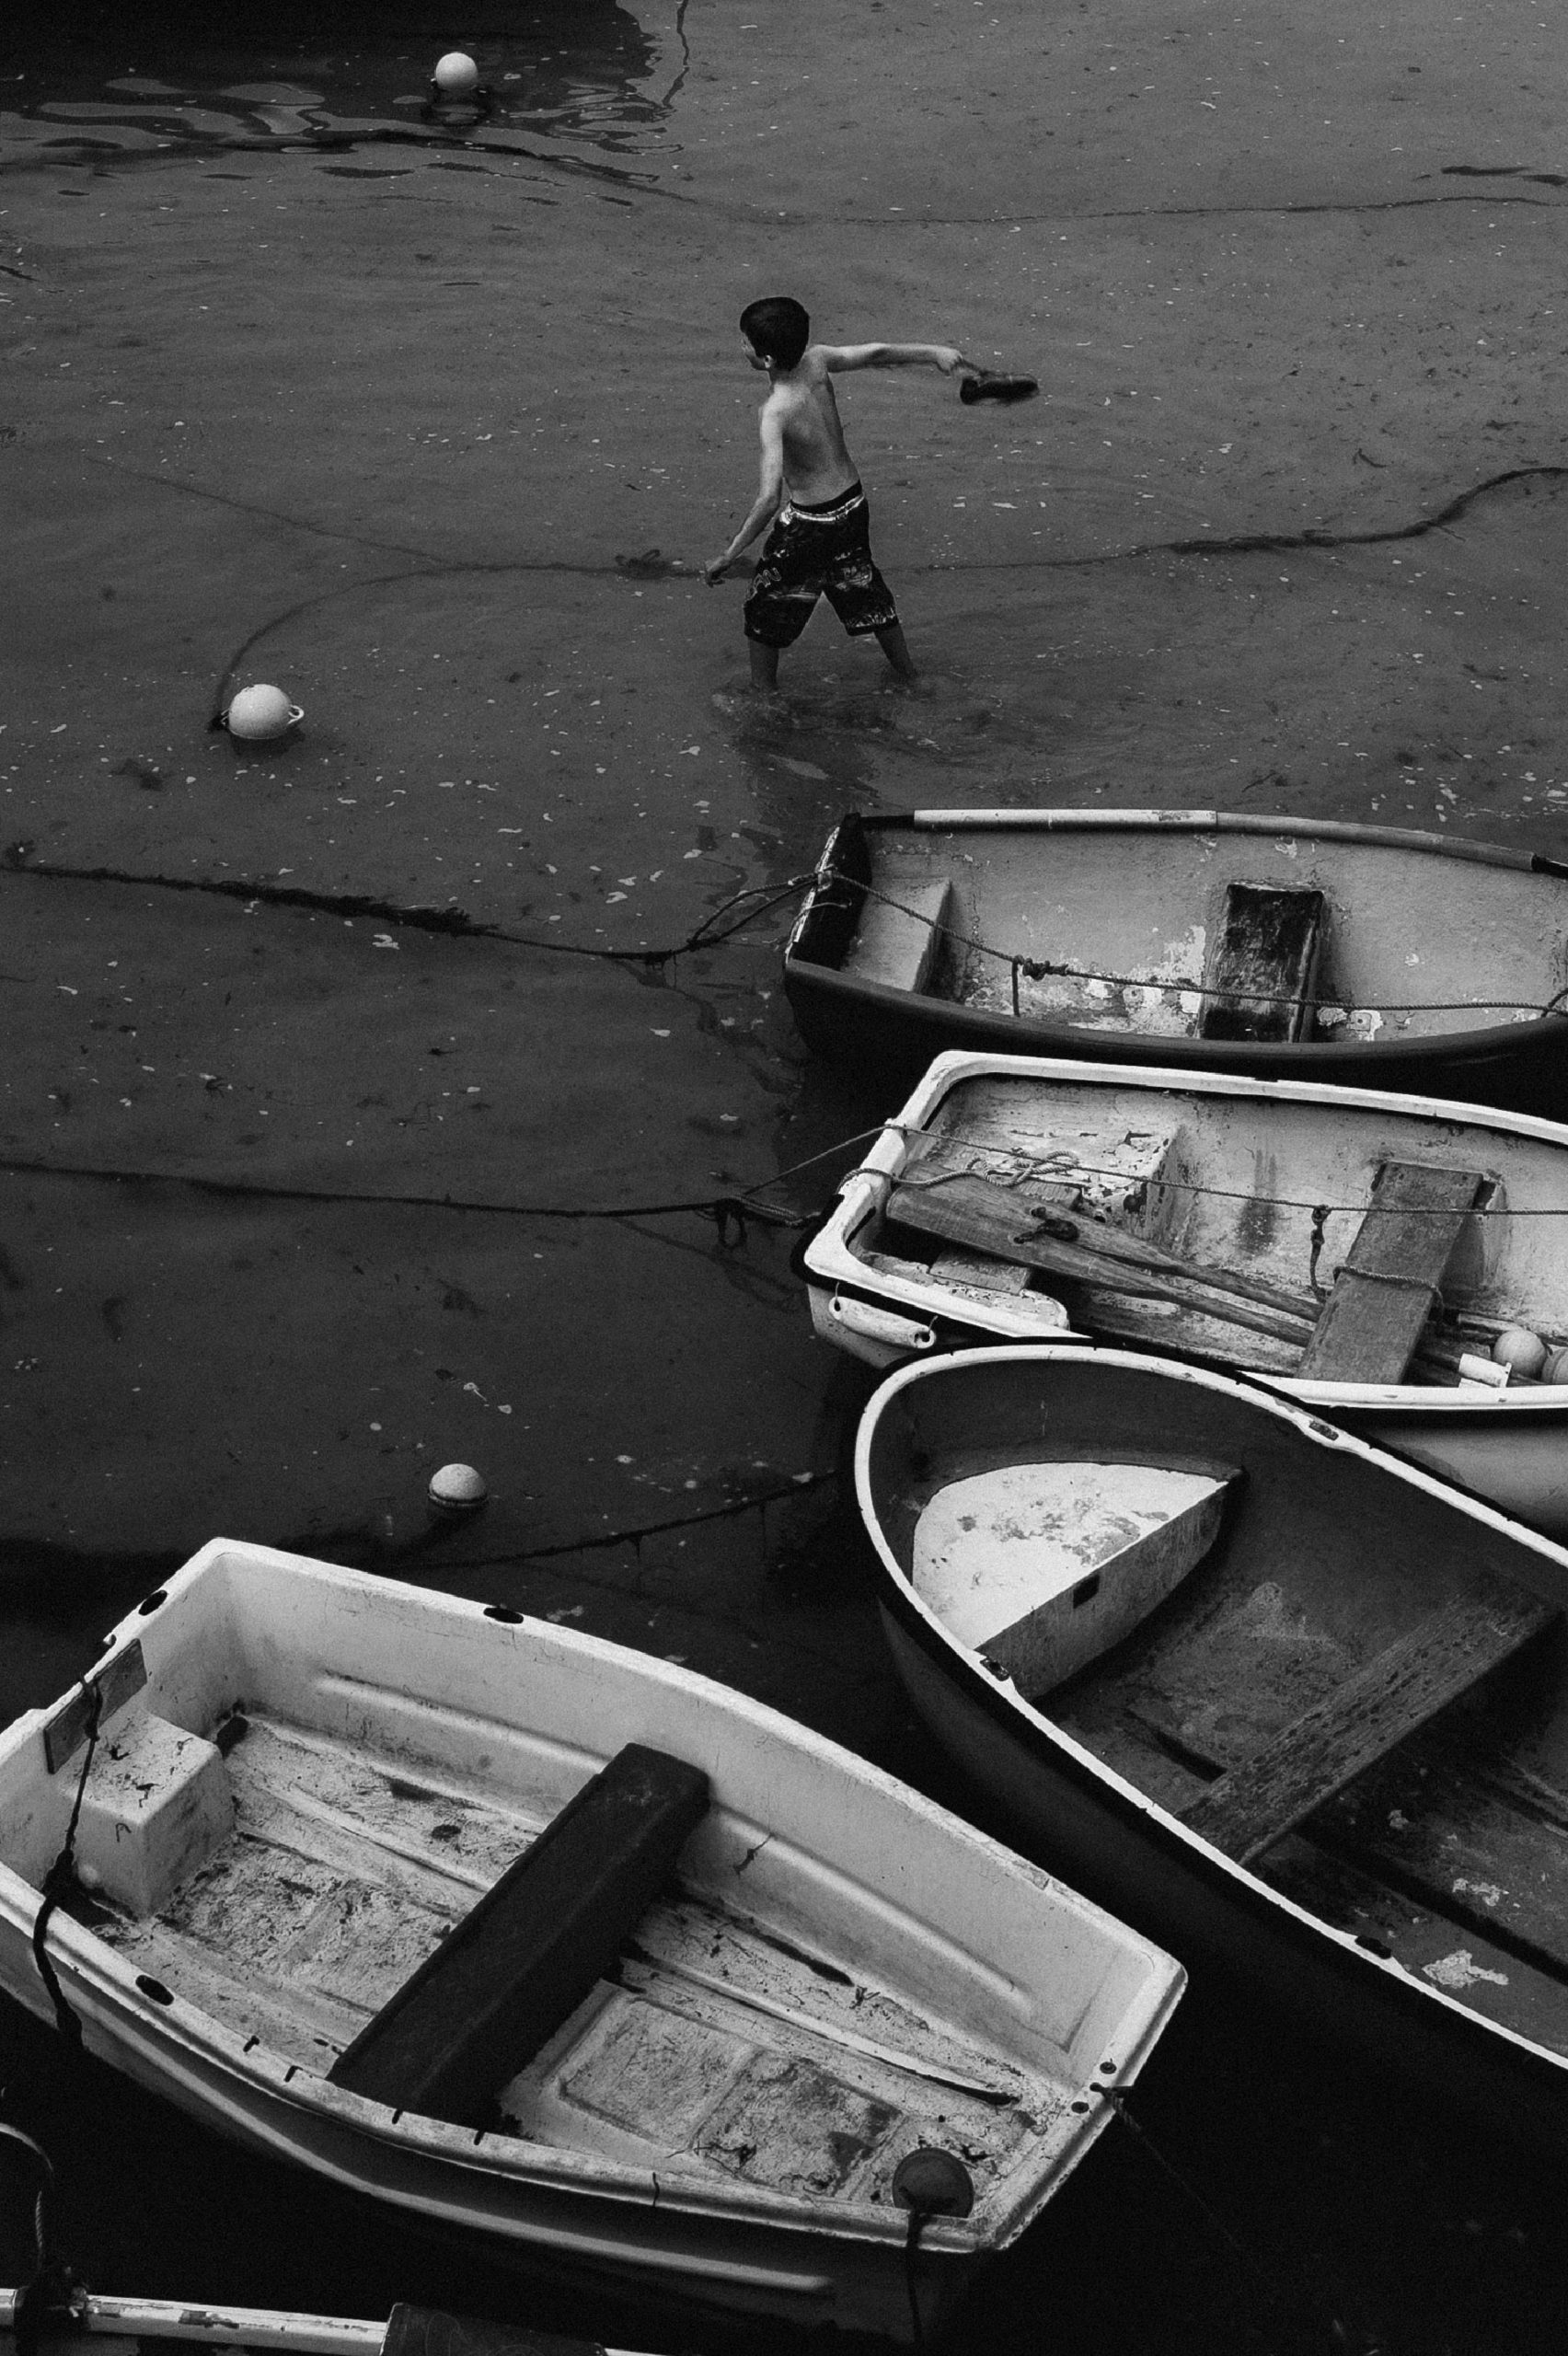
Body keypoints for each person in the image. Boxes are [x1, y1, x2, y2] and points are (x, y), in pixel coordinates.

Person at [703, 296, 973, 689]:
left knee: (765, 608)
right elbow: (876, 353)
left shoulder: (775, 411)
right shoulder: (817, 360)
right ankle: (910, 677)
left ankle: (763, 698)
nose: (740, 346)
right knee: (862, 586)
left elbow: (768, 499)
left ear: (766, 361)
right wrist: (935, 353)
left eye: (745, 341)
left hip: (812, 522)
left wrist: (730, 554)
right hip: (852, 504)